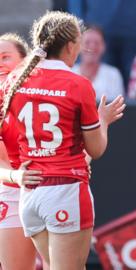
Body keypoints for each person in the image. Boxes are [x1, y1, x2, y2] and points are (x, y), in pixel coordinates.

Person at [0, 11, 125, 270]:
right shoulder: (78, 84)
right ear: (70, 45)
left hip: (30, 196)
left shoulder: (14, 82)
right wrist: (102, 121)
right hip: (65, 190)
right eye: (79, 42)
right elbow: (96, 149)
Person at [0, 32, 45, 270]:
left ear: (25, 60)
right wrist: (16, 177)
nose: (0, 64)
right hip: (11, 192)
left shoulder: (47, 93)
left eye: (5, 56)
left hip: (51, 188)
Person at [73, 26, 124, 101]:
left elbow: (118, 107)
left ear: (103, 47)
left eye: (96, 43)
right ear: (78, 46)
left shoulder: (113, 74)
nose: (92, 46)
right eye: (87, 42)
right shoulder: (69, 72)